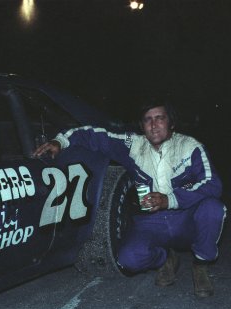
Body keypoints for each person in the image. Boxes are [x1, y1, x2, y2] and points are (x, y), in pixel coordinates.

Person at [34, 99, 226, 298]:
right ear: (142, 126)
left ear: (171, 122)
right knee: (128, 260)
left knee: (213, 209)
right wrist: (60, 141)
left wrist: (170, 200)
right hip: (152, 221)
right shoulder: (133, 144)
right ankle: (166, 258)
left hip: (185, 218)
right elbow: (93, 135)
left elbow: (213, 184)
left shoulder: (190, 147)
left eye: (160, 118)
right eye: (147, 120)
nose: (153, 124)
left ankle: (201, 264)